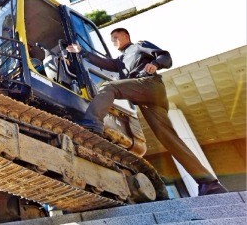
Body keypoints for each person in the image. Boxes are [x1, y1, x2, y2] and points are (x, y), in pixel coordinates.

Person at [66, 28, 228, 196]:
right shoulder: (121, 60)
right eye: (111, 39)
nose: (113, 41)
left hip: (150, 85)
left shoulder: (139, 46)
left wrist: (155, 64)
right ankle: (209, 183)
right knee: (169, 139)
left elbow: (165, 56)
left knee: (109, 87)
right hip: (146, 100)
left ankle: (92, 125)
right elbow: (105, 63)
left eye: (115, 37)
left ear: (126, 36)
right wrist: (82, 52)